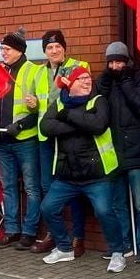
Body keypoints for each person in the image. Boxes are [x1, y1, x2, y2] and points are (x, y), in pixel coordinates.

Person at [39, 66, 128, 273]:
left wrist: (67, 115)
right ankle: (63, 248)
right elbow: (46, 127)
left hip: (97, 175)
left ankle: (117, 252)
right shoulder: (58, 102)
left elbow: (98, 125)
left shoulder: (98, 101)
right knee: (48, 208)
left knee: (105, 212)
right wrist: (81, 123)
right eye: (81, 79)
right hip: (67, 175)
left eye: (89, 77)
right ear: (70, 83)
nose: (88, 81)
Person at [30, 29, 90, 258]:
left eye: (57, 46)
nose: (54, 51)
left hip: (69, 137)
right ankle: (54, 235)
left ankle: (78, 237)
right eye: (49, 47)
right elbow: (38, 104)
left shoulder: (79, 65)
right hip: (46, 138)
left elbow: (85, 94)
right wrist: (33, 104)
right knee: (48, 187)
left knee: (73, 189)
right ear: (44, 51)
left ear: (64, 47)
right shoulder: (38, 72)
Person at [0, 28, 48, 250]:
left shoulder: (34, 71)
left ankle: (29, 232)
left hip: (26, 139)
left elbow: (41, 108)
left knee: (32, 188)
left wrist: (21, 125)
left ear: (18, 51)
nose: (2, 52)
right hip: (5, 140)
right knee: (8, 188)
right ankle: (12, 231)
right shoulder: (3, 72)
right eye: (2, 49)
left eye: (6, 49)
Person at [96, 41, 140, 261]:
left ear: (127, 61)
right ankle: (124, 244)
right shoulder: (105, 81)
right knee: (118, 204)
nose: (115, 66)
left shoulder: (139, 78)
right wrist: (108, 82)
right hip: (114, 150)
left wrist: (126, 82)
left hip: (137, 150)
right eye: (111, 62)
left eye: (119, 61)